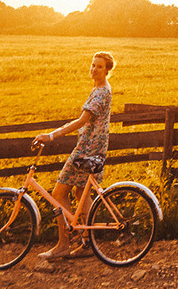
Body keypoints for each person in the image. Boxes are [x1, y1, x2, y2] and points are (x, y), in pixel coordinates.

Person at [31, 51, 115, 261]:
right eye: (93, 64)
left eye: (99, 66)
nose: (94, 68)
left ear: (107, 70)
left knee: (58, 194)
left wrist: (51, 136)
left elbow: (81, 121)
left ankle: (63, 245)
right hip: (93, 148)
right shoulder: (100, 88)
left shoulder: (101, 93)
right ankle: (86, 243)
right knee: (80, 195)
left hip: (86, 150)